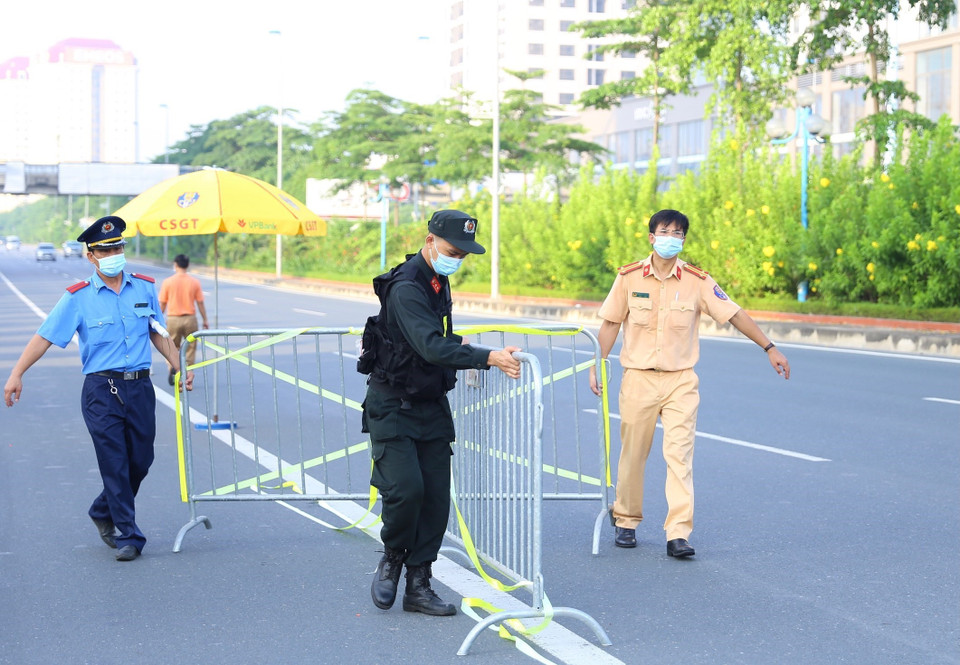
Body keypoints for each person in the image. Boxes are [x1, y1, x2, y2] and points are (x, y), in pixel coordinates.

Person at [589, 209, 790, 558]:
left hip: (681, 380)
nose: (671, 238)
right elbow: (610, 323)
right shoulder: (629, 277)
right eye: (665, 231)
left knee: (679, 456)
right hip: (638, 378)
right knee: (633, 454)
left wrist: (768, 347)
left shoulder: (697, 281)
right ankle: (626, 520)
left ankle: (678, 533)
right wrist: (596, 364)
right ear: (651, 237)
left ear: (683, 239)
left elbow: (734, 313)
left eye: (678, 233)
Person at [3, 216, 193, 562]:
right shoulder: (77, 297)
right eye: (105, 249)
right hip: (100, 390)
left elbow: (157, 332)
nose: (113, 253)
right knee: (115, 461)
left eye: (118, 247)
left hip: (139, 388)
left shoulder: (145, 287)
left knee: (141, 460)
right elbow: (45, 336)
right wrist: (17, 373)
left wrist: (179, 367)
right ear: (91, 256)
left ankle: (102, 510)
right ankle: (129, 535)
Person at [360, 209, 521, 616]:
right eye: (453, 251)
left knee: (434, 499)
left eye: (464, 255)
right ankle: (393, 556)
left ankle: (419, 584)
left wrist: (466, 350)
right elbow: (430, 346)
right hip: (393, 404)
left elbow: (438, 338)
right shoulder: (407, 287)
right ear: (430, 240)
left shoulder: (437, 278)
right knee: (406, 490)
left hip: (430, 403)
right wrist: (487, 357)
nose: (458, 259)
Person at [159, 254, 208, 385]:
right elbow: (200, 303)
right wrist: (205, 320)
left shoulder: (168, 282)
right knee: (190, 347)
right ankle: (187, 371)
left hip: (173, 319)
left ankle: (172, 368)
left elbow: (162, 303)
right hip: (190, 319)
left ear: (175, 264)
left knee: (171, 346)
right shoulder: (194, 282)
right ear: (187, 265)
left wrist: (157, 320)